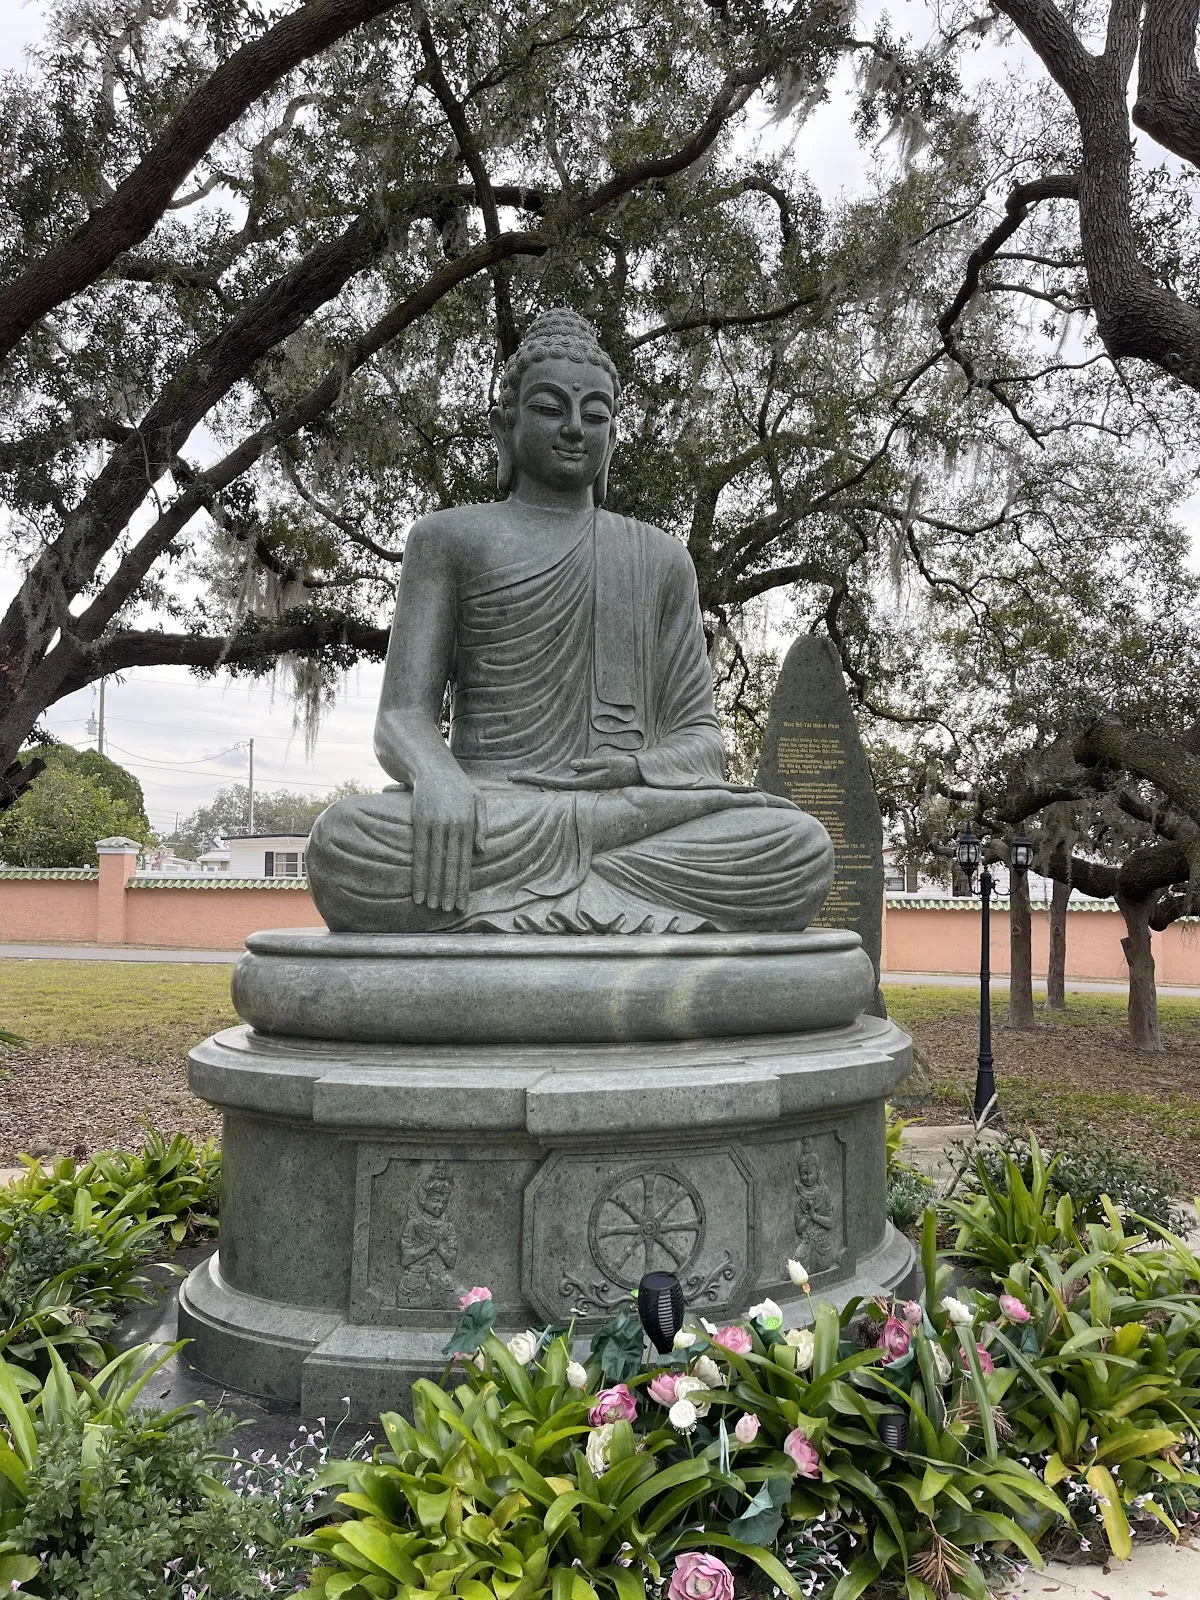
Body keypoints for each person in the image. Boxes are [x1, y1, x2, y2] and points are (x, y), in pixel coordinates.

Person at [307, 308, 833, 934]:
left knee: (796, 845)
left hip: (625, 814)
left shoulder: (660, 559)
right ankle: (602, 905)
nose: (575, 428)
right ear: (507, 426)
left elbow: (703, 742)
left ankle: (525, 906)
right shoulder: (449, 539)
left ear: (614, 434)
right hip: (493, 812)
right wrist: (440, 780)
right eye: (551, 408)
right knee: (344, 844)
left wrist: (635, 771)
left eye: (596, 414)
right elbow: (401, 717)